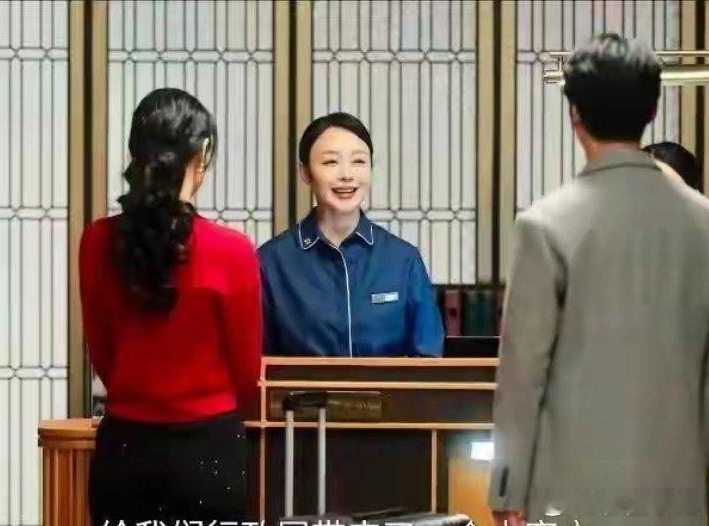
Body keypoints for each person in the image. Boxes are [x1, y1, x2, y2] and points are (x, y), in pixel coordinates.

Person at [490, 34, 709, 526]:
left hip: (569, 493)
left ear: (575, 114)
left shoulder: (545, 224)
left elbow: (522, 373)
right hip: (678, 489)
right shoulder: (703, 224)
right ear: (652, 109)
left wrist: (507, 488)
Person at [80, 88, 262, 524]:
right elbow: (246, 371)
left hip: (126, 449)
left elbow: (102, 352)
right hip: (209, 452)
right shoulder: (233, 250)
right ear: (201, 157)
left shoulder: (98, 241)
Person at [258, 112, 444, 357]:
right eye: (330, 162)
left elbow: (428, 358)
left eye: (358, 161)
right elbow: (258, 361)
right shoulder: (271, 262)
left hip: (388, 386)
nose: (347, 175)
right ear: (306, 173)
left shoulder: (403, 260)